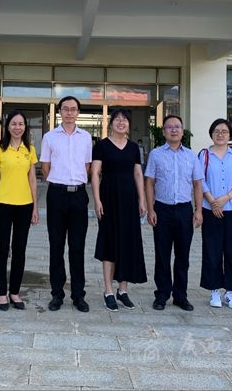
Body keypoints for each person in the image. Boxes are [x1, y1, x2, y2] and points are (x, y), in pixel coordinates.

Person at [145, 114, 203, 312]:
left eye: (177, 126)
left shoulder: (192, 156)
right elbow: (149, 183)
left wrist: (198, 210)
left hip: (184, 210)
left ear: (182, 130)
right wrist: (151, 209)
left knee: (182, 256)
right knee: (162, 255)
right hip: (162, 209)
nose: (174, 130)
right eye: (169, 127)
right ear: (164, 132)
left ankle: (180, 295)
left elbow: (197, 184)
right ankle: (162, 295)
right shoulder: (156, 154)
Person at [40, 95, 93, 313]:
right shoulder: (49, 137)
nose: (69, 112)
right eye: (65, 109)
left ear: (78, 112)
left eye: (73, 109)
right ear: (60, 111)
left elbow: (87, 166)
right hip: (57, 195)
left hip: (78, 195)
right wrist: (59, 183)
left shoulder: (86, 137)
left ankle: (78, 295)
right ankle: (57, 294)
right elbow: (45, 168)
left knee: (77, 247)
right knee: (56, 245)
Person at [91, 108, 147, 312]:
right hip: (108, 199)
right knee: (109, 243)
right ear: (111, 123)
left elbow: (138, 174)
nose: (121, 122)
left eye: (125, 120)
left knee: (128, 243)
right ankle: (108, 291)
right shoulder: (102, 146)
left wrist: (142, 200)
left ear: (129, 124)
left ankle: (123, 290)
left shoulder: (133, 148)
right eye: (117, 119)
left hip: (129, 201)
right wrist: (97, 200)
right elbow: (95, 173)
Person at [0, 110, 39, 311]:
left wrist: (35, 208)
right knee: (1, 249)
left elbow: (32, 180)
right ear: (8, 126)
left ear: (25, 127)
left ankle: (15, 292)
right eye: (14, 124)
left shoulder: (29, 149)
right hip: (2, 205)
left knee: (19, 250)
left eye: (21, 124)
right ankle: (1, 293)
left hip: (24, 205)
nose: (18, 127)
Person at [198, 118, 232, 310]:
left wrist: (225, 198)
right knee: (212, 251)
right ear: (211, 134)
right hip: (210, 210)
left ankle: (231, 292)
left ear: (230, 135)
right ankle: (214, 290)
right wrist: (213, 202)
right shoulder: (204, 155)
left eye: (224, 132)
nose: (220, 134)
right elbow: (200, 181)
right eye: (217, 131)